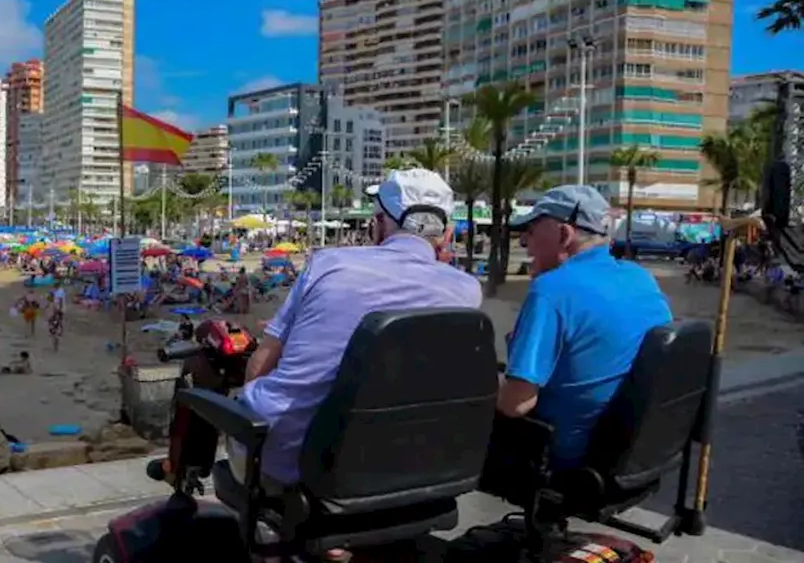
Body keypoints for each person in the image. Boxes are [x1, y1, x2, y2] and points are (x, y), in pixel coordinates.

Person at [222, 169, 482, 496]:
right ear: (445, 234)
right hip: (403, 465)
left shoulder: (328, 265)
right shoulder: (467, 292)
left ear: (379, 224)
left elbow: (262, 361)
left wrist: (250, 404)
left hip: (290, 462)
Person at [492, 185, 673, 473]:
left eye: (532, 230)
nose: (524, 242)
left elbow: (516, 405)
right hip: (629, 450)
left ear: (564, 235)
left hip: (564, 453)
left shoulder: (552, 291)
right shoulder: (641, 279)